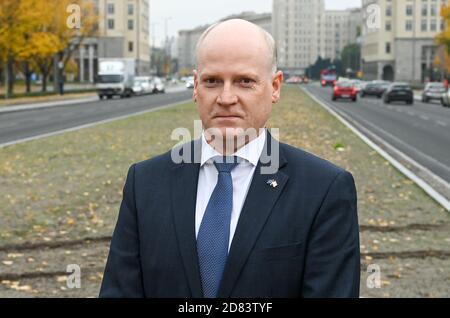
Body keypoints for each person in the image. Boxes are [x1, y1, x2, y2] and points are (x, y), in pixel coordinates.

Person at [99, 19, 360, 298]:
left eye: (244, 81)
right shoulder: (145, 184)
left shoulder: (324, 190)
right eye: (212, 81)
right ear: (196, 87)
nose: (226, 97)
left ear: (274, 87)